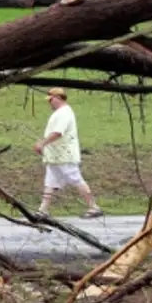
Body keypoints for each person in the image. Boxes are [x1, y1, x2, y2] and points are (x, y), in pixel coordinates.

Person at [32, 87, 103, 219]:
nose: (49, 103)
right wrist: (44, 146)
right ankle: (42, 210)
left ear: (58, 98)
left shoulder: (65, 113)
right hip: (55, 156)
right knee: (50, 182)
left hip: (64, 155)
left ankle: (93, 207)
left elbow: (58, 133)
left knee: (76, 179)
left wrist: (42, 143)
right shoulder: (60, 113)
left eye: (51, 100)